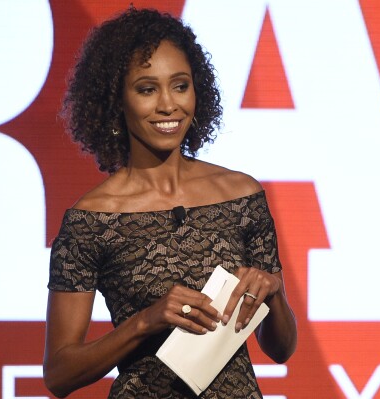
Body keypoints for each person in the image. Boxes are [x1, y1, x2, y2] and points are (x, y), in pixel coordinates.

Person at [43, 7, 297, 399]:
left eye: (180, 86)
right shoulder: (91, 220)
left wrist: (274, 292)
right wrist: (145, 321)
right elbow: (59, 374)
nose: (168, 105)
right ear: (117, 102)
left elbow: (281, 349)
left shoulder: (242, 195)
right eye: (147, 89)